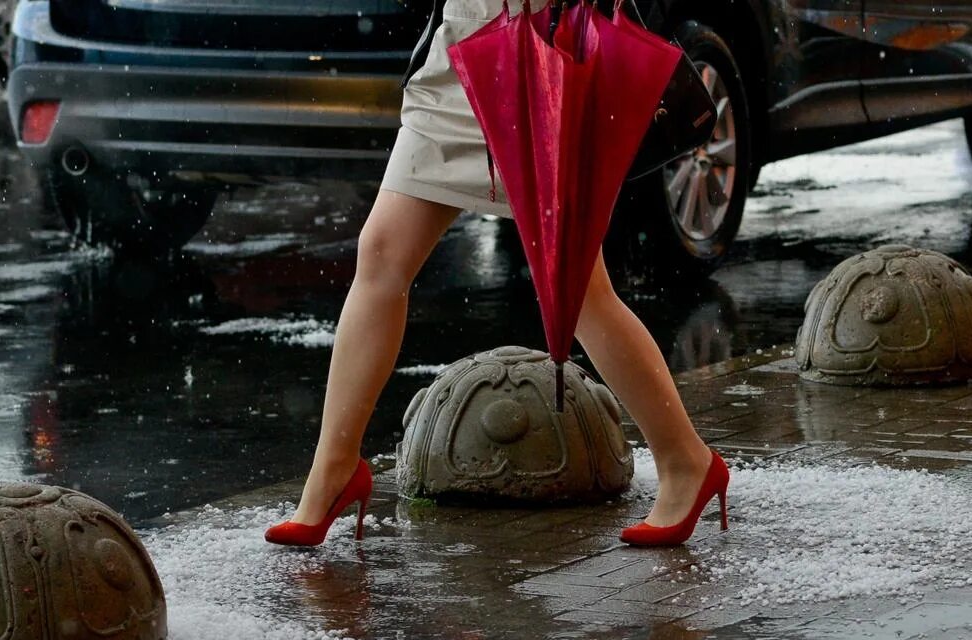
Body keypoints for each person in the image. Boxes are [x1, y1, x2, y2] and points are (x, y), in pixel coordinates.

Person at [265, 0, 728, 550]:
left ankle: (685, 461)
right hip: (460, 49)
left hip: (545, 54)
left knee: (579, 288)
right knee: (382, 253)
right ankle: (334, 468)